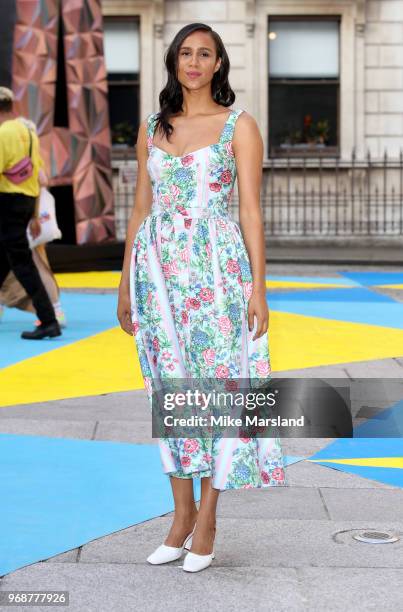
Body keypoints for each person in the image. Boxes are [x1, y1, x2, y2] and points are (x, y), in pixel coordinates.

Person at [117, 23, 286, 573]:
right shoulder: (151, 127)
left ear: (218, 64)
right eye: (185, 53)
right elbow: (140, 210)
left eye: (204, 54)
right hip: (158, 270)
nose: (194, 62)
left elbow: (252, 212)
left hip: (216, 269)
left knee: (220, 388)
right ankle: (180, 515)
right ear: (174, 61)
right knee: (167, 390)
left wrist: (259, 287)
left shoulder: (240, 125)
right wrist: (125, 281)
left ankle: (208, 517)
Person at [0, 86, 61, 339]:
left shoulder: (2, 133)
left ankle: (48, 320)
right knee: (5, 258)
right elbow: (36, 172)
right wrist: (35, 214)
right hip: (25, 201)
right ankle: (49, 318)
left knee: (22, 263)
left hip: (7, 201)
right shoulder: (28, 130)